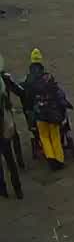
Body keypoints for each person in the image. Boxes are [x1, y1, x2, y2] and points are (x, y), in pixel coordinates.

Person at [22, 49, 71, 170]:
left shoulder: (28, 80)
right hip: (52, 111)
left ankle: (51, 158)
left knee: (44, 136)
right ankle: (59, 159)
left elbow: (27, 97)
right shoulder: (48, 77)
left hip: (39, 113)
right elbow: (57, 92)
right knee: (54, 135)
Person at [0, 54, 23, 198]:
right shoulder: (4, 79)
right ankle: (18, 189)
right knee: (10, 159)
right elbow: (19, 90)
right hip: (6, 125)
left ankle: (2, 189)